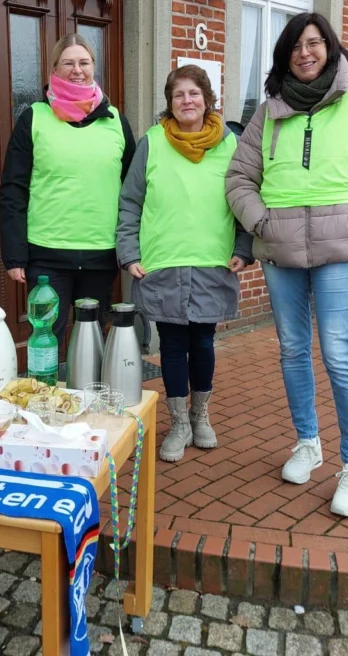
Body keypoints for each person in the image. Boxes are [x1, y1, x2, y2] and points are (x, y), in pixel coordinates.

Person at [226, 12, 348, 517]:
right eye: (295, 46)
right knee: (291, 349)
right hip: (280, 247)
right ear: (285, 56)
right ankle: (307, 442)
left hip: (340, 247)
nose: (305, 53)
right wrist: (260, 222)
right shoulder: (268, 113)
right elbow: (239, 178)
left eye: (314, 43)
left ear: (330, 48)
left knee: (338, 352)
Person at [117, 65, 252, 462]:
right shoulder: (152, 142)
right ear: (169, 103)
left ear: (207, 99)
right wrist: (129, 253)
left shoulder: (231, 145)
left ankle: (200, 415)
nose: (186, 101)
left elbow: (245, 200)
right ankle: (178, 423)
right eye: (178, 95)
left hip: (212, 263)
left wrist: (244, 247)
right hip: (163, 263)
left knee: (203, 342)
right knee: (173, 345)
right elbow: (130, 202)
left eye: (194, 93)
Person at [0, 33, 136, 348]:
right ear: (55, 69)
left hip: (101, 254)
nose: (77, 70)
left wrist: (132, 249)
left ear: (94, 68)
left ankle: (88, 384)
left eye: (84, 62)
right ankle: (45, 383)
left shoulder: (116, 121)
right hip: (47, 257)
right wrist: (14, 255)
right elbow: (13, 190)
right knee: (46, 341)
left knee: (92, 342)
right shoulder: (34, 118)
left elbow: (133, 191)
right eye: (68, 63)